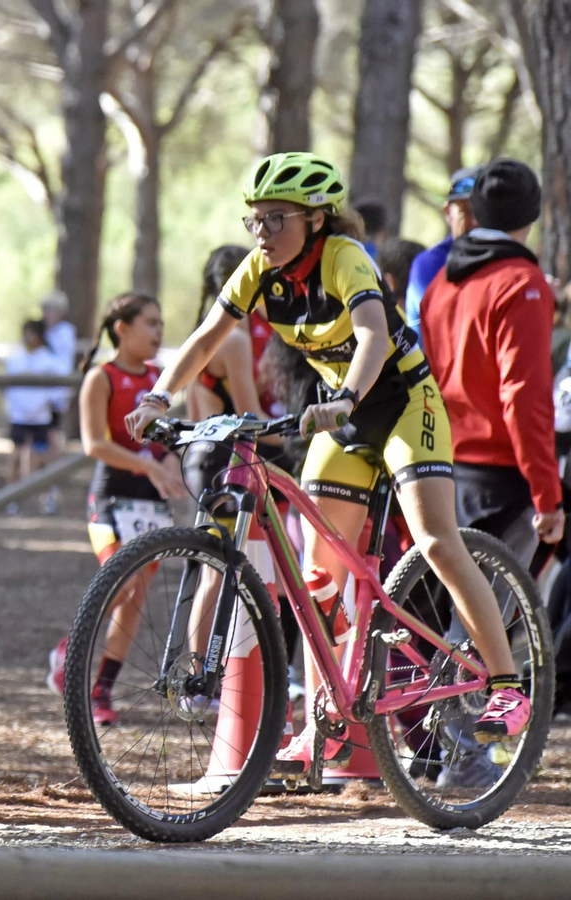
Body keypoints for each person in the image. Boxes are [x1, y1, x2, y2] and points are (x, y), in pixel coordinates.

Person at [126, 152, 536, 773]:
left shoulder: (344, 257)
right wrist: (159, 395)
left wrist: (346, 396)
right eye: (254, 219)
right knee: (316, 577)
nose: (262, 232)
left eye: (277, 218)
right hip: (340, 415)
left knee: (434, 539)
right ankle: (332, 714)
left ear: (316, 219)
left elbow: (372, 334)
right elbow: (207, 335)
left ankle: (506, 685)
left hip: (400, 402)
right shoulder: (259, 269)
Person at [46, 293, 186, 725]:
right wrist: (146, 464)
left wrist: (169, 464)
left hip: (151, 503)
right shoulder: (101, 377)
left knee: (135, 597)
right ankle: (70, 651)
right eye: (150, 323)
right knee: (121, 583)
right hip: (110, 500)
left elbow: (170, 439)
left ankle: (102, 689)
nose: (158, 332)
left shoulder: (160, 380)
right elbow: (95, 444)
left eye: (161, 323)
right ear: (122, 329)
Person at [420, 159, 564, 565]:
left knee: (455, 601)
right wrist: (547, 495)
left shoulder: (440, 283)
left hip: (443, 470)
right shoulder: (523, 283)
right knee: (487, 607)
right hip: (502, 481)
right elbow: (524, 396)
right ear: (532, 215)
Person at [186, 245, 279, 422]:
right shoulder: (234, 339)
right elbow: (249, 418)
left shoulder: (205, 335)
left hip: (228, 433)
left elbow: (194, 416)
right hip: (234, 437)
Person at [405, 166, 480, 341]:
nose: (475, 222)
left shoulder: (510, 261)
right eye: (466, 211)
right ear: (447, 212)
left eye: (482, 212)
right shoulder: (431, 264)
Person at [4, 320, 68, 515]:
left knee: (43, 457)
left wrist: (52, 402)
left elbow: (61, 388)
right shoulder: (16, 359)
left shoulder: (49, 360)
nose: (28, 337)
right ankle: (11, 499)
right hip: (19, 417)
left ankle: (47, 498)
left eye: (32, 333)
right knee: (16, 457)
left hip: (40, 418)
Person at [42, 291, 78, 371]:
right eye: (45, 310)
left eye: (51, 310)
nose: (46, 314)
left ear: (60, 312)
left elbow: (64, 361)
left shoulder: (66, 331)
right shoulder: (41, 329)